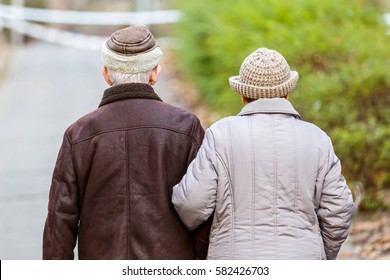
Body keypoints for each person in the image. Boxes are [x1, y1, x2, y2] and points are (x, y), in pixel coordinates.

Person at [43, 25, 211, 260]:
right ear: (155, 72)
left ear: (106, 73)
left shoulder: (79, 134)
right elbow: (203, 208)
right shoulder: (186, 127)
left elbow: (60, 219)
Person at [172, 48, 356, 260]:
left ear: (243, 96)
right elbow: (339, 210)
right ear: (287, 93)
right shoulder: (318, 139)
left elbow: (190, 206)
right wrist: (321, 254)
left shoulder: (221, 135)